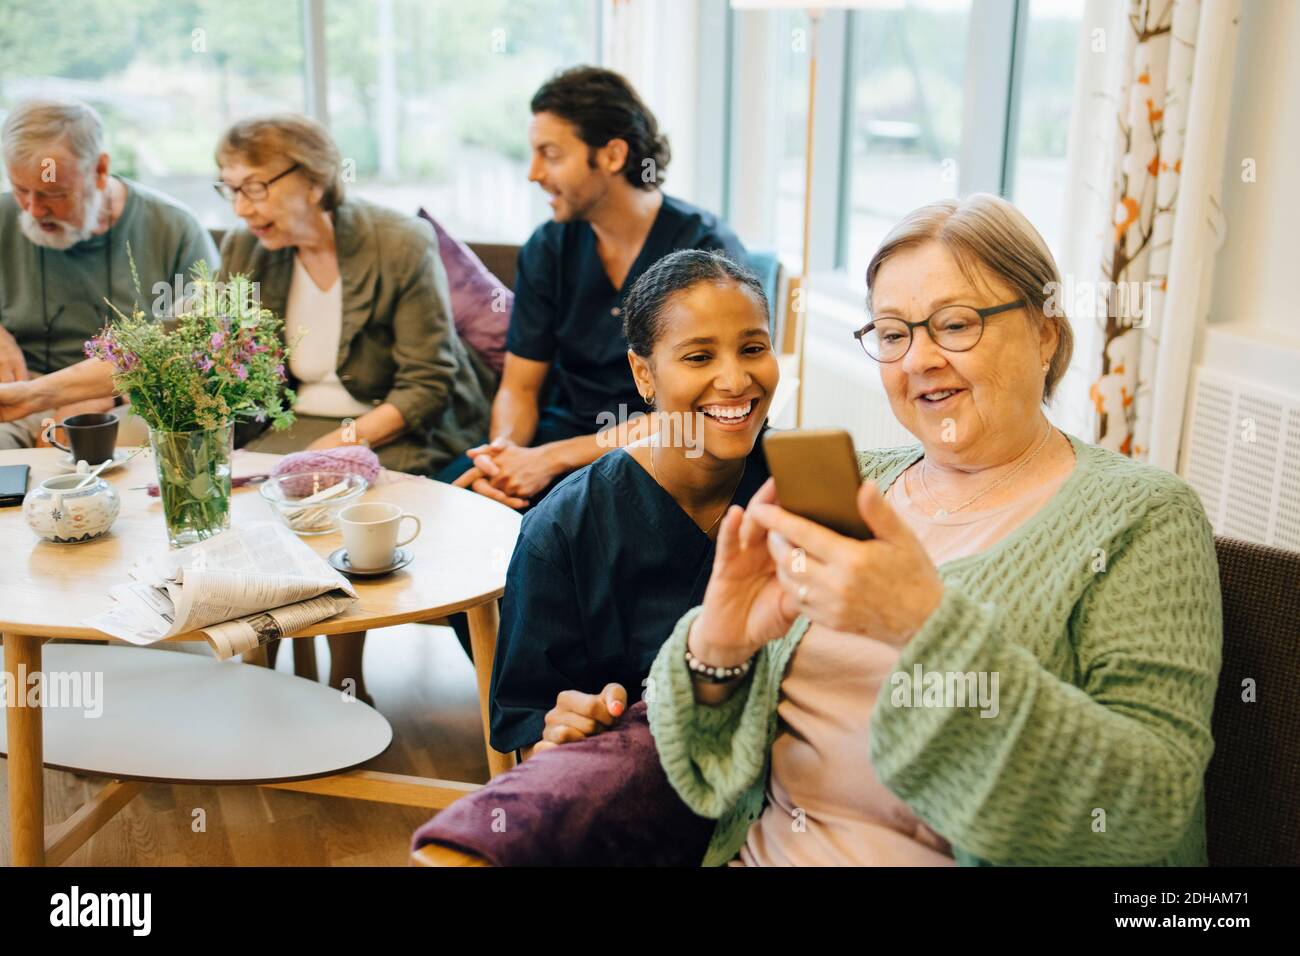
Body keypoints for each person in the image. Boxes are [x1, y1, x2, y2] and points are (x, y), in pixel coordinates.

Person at [645, 193, 1223, 866]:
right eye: (893, 334)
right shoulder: (855, 483)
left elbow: (1149, 804)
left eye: (954, 324)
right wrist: (719, 649)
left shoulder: (1143, 515)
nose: (918, 360)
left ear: (1045, 332)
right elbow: (713, 757)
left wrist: (924, 625)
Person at [214, 114, 495, 701]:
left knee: (338, 501)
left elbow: (427, 382)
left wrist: (343, 442)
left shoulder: (398, 243)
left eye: (256, 187)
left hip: (393, 421)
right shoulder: (246, 249)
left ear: (314, 179)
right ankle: (266, 680)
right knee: (245, 501)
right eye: (230, 188)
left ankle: (348, 683)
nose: (241, 208)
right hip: (289, 425)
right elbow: (231, 365)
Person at [489, 250, 777, 758]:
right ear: (643, 375)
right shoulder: (561, 533)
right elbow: (529, 731)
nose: (735, 381)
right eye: (699, 356)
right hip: (634, 795)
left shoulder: (802, 489)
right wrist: (565, 730)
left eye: (753, 348)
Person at [445, 66, 746, 511]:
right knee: (437, 507)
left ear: (612, 155)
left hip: (655, 457)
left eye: (550, 154)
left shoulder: (702, 251)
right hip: (549, 445)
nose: (533, 173)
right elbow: (519, 388)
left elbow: (691, 413)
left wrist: (550, 460)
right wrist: (505, 457)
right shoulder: (548, 248)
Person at [0, 97, 216, 446]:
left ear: (100, 170)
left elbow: (193, 352)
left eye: (54, 193)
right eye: (21, 190)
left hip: (127, 399)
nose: (34, 209)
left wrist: (99, 395)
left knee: (140, 439)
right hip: (18, 396)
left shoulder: (174, 230)